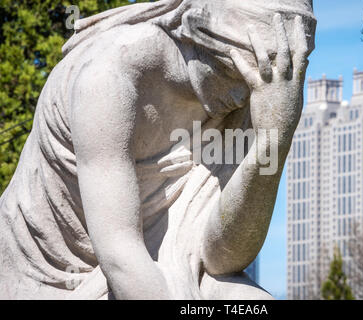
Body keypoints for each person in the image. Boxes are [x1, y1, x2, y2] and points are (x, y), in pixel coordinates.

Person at [0, 0, 315, 299]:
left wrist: (273, 140)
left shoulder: (258, 91)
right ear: (197, 32)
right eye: (236, 75)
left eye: (261, 84)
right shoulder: (108, 79)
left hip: (169, 262)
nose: (243, 97)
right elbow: (120, 257)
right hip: (58, 276)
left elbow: (221, 259)